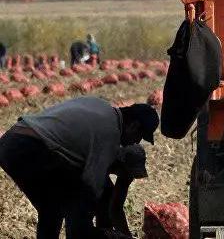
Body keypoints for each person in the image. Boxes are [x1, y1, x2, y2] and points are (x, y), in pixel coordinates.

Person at [0, 98, 159, 238]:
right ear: (134, 125)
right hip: (28, 146)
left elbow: (102, 194)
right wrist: (102, 233)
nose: (136, 141)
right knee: (60, 209)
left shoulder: (102, 109)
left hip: (13, 140)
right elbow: (91, 188)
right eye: (140, 136)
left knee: (53, 208)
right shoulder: (110, 132)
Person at [95, 145, 148, 238]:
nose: (130, 177)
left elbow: (116, 208)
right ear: (120, 164)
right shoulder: (102, 159)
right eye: (128, 172)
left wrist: (127, 236)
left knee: (106, 197)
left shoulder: (126, 172)